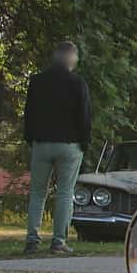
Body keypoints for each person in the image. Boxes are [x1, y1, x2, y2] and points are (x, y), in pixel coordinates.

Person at [22, 41, 92, 256]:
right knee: (64, 193)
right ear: (73, 58)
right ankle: (58, 241)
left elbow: (29, 113)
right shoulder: (77, 83)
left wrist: (30, 138)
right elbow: (85, 116)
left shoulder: (37, 82)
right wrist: (84, 143)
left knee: (37, 193)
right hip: (69, 145)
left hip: (42, 143)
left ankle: (32, 240)